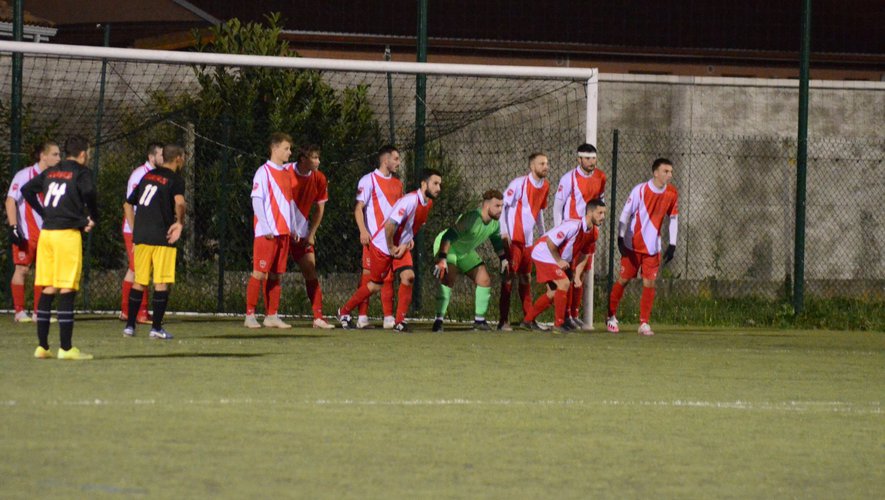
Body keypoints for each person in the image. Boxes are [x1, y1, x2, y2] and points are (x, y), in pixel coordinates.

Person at [20, 135, 98, 360]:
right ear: (82, 154)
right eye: (88, 153)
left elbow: (27, 190)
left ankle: (42, 347)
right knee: (67, 288)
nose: (88, 156)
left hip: (47, 234)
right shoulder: (82, 172)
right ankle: (66, 348)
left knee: (49, 287)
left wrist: (44, 212)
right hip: (66, 235)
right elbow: (89, 192)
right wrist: (92, 216)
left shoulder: (52, 171)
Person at [339, 169, 443, 332]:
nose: (438, 188)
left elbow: (413, 226)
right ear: (424, 184)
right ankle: (344, 312)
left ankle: (399, 322)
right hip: (383, 245)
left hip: (399, 245)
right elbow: (389, 226)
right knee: (375, 285)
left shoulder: (428, 203)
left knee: (408, 277)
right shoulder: (409, 201)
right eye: (435, 183)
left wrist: (406, 243)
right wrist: (390, 247)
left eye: (440, 184)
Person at [607, 158, 679, 337]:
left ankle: (644, 323)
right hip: (633, 244)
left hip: (652, 247)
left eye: (671, 171)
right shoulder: (640, 190)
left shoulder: (671, 192)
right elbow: (625, 213)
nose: (669, 175)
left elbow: (673, 218)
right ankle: (611, 316)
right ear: (655, 173)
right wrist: (620, 237)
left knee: (650, 283)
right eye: (666, 171)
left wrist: (672, 243)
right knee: (623, 280)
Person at [121, 144, 187, 339]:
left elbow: (127, 204)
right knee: (161, 282)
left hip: (142, 237)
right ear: (178, 158)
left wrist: (135, 230)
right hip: (161, 236)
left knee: (139, 281)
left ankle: (130, 326)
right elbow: (180, 202)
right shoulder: (175, 179)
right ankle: (156, 328)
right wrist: (179, 223)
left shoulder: (147, 176)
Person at [430, 189, 508, 332]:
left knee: (484, 280)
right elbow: (448, 236)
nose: (500, 210)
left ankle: (479, 321)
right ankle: (438, 321)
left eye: (502, 206)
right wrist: (442, 258)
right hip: (448, 246)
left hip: (465, 251)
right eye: (497, 206)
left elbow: (496, 241)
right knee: (449, 278)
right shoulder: (471, 219)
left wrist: (503, 259)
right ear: (486, 205)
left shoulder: (494, 224)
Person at [523, 200, 606, 333]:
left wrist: (578, 275)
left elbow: (585, 255)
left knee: (553, 293)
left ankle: (527, 321)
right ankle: (559, 324)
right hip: (543, 252)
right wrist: (559, 260)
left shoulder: (593, 233)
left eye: (604, 213)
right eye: (600, 213)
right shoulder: (573, 226)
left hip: (553, 256)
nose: (603, 217)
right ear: (590, 213)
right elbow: (550, 242)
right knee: (564, 283)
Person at [244, 133, 296, 329]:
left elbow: (289, 202)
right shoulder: (263, 172)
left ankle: (271, 315)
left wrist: (294, 226)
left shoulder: (287, 174)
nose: (289, 152)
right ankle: (250, 315)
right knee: (259, 272)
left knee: (276, 275)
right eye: (286, 148)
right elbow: (257, 200)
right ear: (274, 149)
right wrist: (265, 226)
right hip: (267, 233)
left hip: (283, 232)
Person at [553, 143, 607, 329]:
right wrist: (559, 232)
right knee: (569, 273)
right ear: (579, 159)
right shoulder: (568, 178)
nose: (592, 162)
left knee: (582, 273)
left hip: (590, 231)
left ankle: (574, 314)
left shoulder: (601, 177)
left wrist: (598, 221)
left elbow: (601, 201)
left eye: (594, 158)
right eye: (587, 158)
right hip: (572, 232)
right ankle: (565, 315)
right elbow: (558, 207)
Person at [5, 141, 61, 322]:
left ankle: (39, 312)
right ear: (43, 156)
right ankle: (19, 312)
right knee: (22, 269)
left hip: (48, 233)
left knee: (45, 272)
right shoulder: (24, 175)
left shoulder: (56, 177)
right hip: (27, 233)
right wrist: (14, 227)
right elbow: (10, 201)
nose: (58, 158)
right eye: (55, 154)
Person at [352, 145, 403, 329]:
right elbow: (358, 208)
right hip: (373, 239)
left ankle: (388, 318)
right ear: (385, 160)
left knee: (389, 276)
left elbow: (402, 211)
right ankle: (362, 317)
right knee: (368, 276)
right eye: (395, 159)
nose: (398, 162)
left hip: (390, 240)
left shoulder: (398, 184)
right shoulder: (368, 180)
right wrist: (363, 230)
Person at [498, 152, 550, 331]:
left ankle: (528, 319)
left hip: (528, 242)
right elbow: (502, 206)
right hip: (514, 239)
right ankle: (503, 320)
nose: (546, 167)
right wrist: (504, 231)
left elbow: (539, 211)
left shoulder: (545, 186)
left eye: (546, 163)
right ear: (532, 166)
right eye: (542, 163)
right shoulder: (519, 183)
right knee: (509, 276)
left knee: (526, 277)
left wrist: (543, 235)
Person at [286, 144, 334, 329]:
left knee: (310, 270)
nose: (318, 161)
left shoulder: (319, 178)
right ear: (303, 159)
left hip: (302, 234)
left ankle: (318, 318)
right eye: (314, 158)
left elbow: (320, 209)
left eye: (318, 157)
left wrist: (311, 233)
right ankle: (267, 314)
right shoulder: (285, 172)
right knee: (271, 272)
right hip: (282, 231)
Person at [119, 142, 164, 324]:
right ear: (152, 157)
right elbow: (129, 205)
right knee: (140, 269)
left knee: (134, 269)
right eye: (161, 155)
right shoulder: (140, 175)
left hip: (145, 228)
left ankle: (126, 311)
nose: (164, 158)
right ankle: (141, 312)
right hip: (135, 229)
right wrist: (135, 232)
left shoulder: (158, 175)